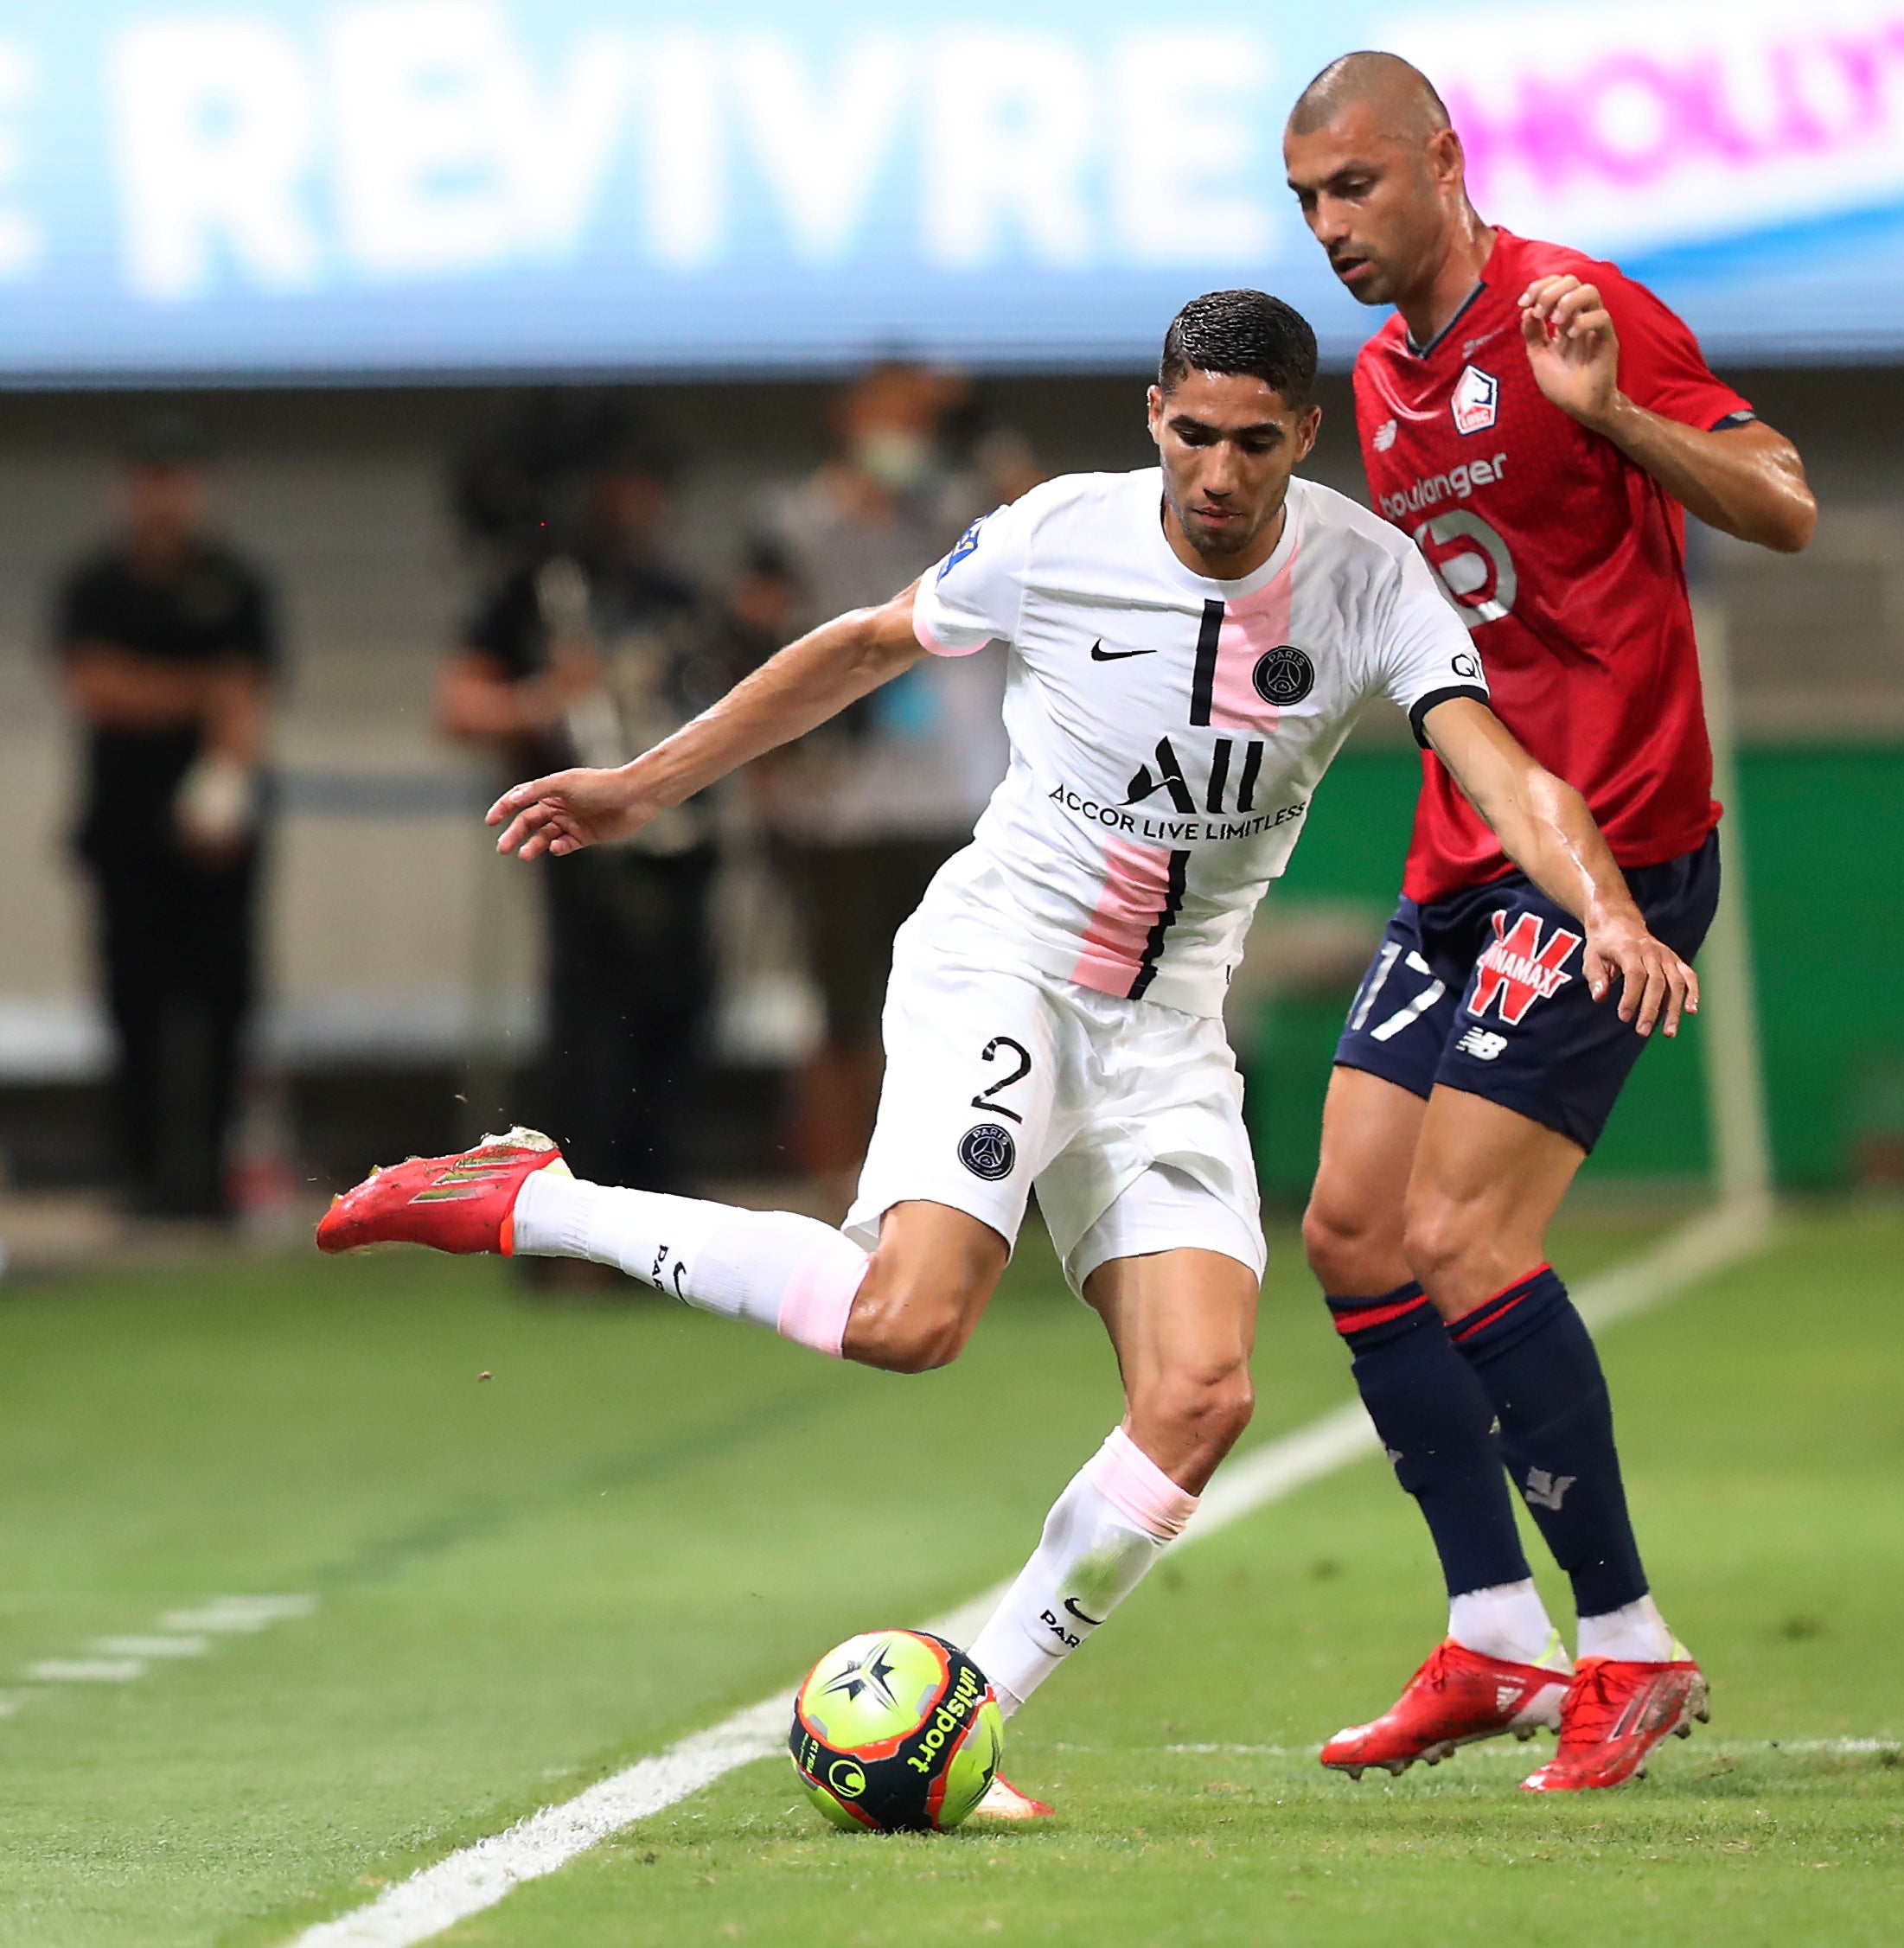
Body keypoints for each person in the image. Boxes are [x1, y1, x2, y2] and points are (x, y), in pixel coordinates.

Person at [316, 291, 1701, 1823]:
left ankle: (960, 1725)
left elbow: (1499, 767)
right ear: (1151, 417)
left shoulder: (1369, 578)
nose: (1219, 472)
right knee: (909, 1318)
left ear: (1304, 438)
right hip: (1008, 967)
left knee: (1200, 1394)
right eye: (1192, 434)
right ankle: (535, 1195)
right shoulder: (1054, 535)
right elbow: (853, 648)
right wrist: (646, 784)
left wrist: (1606, 911)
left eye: (1254, 442)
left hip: (1168, 1030)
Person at [1281, 52, 1816, 1792]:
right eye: (1304, 199)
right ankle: (1494, 1635)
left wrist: (1611, 417)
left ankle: (1630, 1641)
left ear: (1444, 160)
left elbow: (1784, 505)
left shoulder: (1574, 309)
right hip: (1464, 850)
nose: (1328, 226)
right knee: (1353, 1229)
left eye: (1352, 186)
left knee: (1462, 1233)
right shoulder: (1376, 373)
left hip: (1621, 848)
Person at [437, 434, 747, 1212]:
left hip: (683, 836)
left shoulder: (676, 593)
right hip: (584, 846)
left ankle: (662, 1201)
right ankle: (576, 1212)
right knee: (592, 1032)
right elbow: (460, 707)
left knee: (681, 1019)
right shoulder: (532, 594)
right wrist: (547, 696)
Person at [754, 362, 1029, 1192]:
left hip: (961, 792)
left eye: (917, 415)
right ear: (843, 414)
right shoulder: (795, 522)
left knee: (982, 996)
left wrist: (980, 427)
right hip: (844, 802)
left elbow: (1055, 525)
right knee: (844, 1002)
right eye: (888, 410)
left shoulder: (961, 507)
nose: (902, 431)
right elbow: (752, 644)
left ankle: (976, 1177)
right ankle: (844, 1177)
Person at [48, 415, 281, 1220]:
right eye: (150, 479)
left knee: (222, 1004)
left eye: (178, 480)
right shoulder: (96, 584)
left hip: (215, 837)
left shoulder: (235, 582)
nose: (164, 498)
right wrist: (195, 690)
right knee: (134, 1004)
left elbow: (249, 698)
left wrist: (218, 791)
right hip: (124, 831)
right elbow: (94, 686)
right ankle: (140, 1176)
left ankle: (212, 1177)